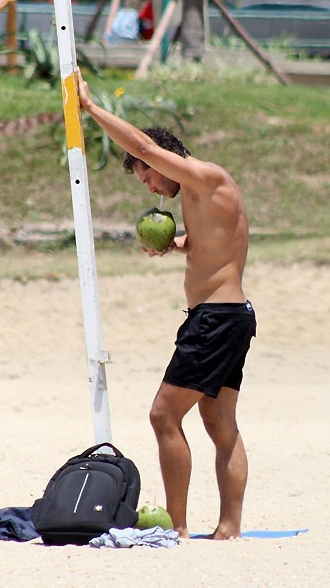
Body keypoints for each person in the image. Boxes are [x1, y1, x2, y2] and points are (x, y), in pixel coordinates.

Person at [75, 69, 257, 540]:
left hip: (217, 319)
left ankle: (175, 528)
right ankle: (229, 528)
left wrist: (91, 109)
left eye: (147, 177)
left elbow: (143, 145)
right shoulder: (201, 193)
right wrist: (177, 245)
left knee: (163, 414)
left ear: (164, 160)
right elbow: (213, 248)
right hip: (229, 315)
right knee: (219, 422)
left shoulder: (204, 176)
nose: (152, 189)